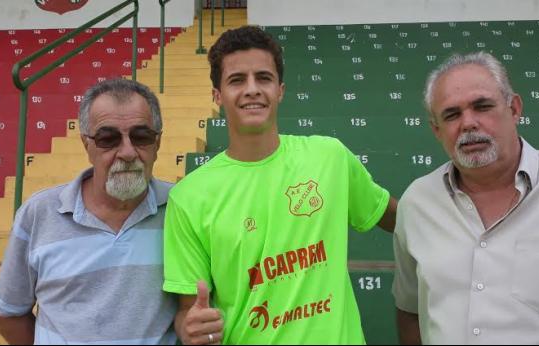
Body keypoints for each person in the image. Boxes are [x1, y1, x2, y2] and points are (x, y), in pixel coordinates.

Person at [163, 25, 398, 345]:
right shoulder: (188, 197)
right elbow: (189, 310)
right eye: (236, 80)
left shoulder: (330, 157)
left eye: (263, 78)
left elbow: (399, 218)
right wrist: (188, 328)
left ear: (280, 90)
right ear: (217, 96)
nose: (252, 89)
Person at [392, 51, 539, 344]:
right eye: (452, 114)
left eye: (482, 106)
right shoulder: (417, 204)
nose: (468, 123)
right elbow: (410, 310)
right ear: (436, 129)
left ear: (514, 108)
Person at [0, 78, 177, 344]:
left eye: (141, 137)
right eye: (108, 139)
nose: (127, 152)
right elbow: (9, 314)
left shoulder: (181, 209)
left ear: (157, 143)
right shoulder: (38, 213)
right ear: (86, 145)